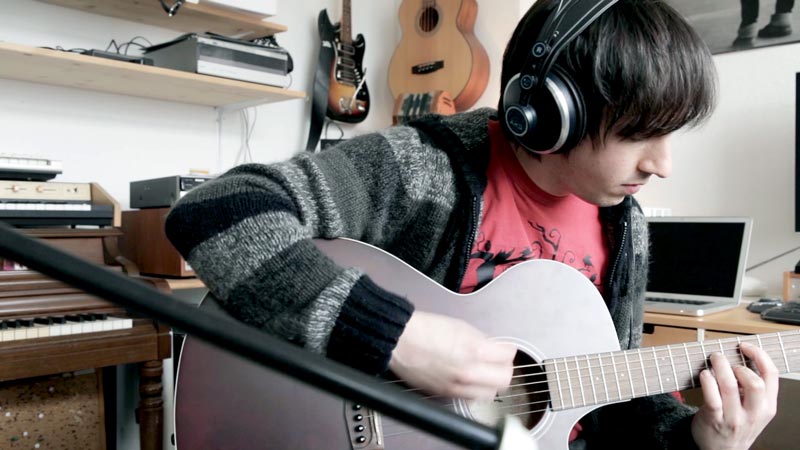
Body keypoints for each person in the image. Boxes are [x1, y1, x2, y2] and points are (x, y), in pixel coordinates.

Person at [164, 1, 779, 448]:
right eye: (639, 134)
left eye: (670, 135)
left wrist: (700, 438)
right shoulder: (422, 170)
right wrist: (396, 337)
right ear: (550, 115)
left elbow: (609, 403)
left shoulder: (625, 228)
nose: (662, 165)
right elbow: (219, 209)